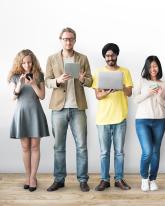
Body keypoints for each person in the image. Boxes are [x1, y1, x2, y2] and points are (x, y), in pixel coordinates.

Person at [45, 27, 92, 192]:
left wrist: (82, 79)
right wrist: (57, 80)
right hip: (58, 108)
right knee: (58, 146)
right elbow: (46, 81)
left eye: (71, 39)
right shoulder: (52, 59)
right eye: (65, 39)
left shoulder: (82, 58)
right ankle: (59, 179)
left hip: (78, 107)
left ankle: (83, 180)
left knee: (82, 146)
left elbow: (90, 81)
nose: (68, 41)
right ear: (61, 40)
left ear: (75, 40)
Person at [93, 43, 133, 191]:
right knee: (104, 153)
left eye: (113, 55)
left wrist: (121, 86)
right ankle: (104, 180)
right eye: (107, 56)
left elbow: (129, 93)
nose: (110, 58)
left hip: (120, 118)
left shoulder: (125, 72)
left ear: (117, 55)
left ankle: (119, 179)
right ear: (104, 57)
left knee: (119, 152)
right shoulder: (99, 73)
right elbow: (98, 96)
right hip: (103, 119)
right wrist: (108, 91)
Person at [8, 49, 49, 192]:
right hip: (22, 114)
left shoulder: (39, 76)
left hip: (35, 113)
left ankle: (33, 177)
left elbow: (42, 96)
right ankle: (27, 176)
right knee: (25, 147)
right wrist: (20, 83)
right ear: (20, 63)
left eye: (29, 62)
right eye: (24, 63)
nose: (27, 65)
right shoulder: (14, 77)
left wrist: (32, 84)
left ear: (33, 62)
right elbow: (13, 97)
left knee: (35, 147)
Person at [134, 56, 165, 191]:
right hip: (142, 120)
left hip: (159, 121)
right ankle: (144, 178)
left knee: (155, 152)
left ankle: (153, 179)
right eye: (150, 66)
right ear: (147, 68)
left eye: (155, 66)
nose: (153, 69)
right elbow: (136, 99)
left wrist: (159, 95)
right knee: (147, 151)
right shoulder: (142, 82)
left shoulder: (164, 84)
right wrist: (148, 93)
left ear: (158, 67)